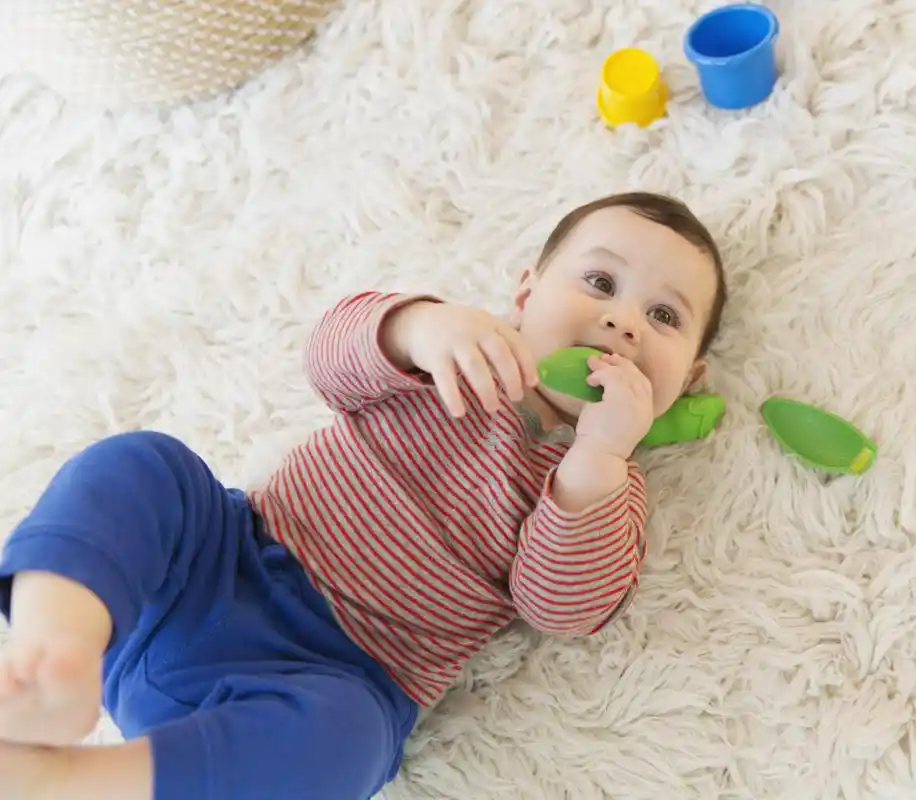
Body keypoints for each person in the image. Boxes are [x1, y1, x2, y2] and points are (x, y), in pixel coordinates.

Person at [0, 191, 728, 800]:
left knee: (351, 740)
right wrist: (414, 326)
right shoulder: (459, 352)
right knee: (144, 465)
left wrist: (597, 456)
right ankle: (52, 649)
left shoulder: (607, 483)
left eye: (664, 318)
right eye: (600, 283)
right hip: (222, 561)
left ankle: (92, 782)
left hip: (337, 673)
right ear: (527, 292)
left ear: (687, 381)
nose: (623, 322)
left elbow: (560, 608)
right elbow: (328, 362)